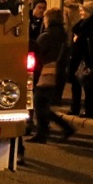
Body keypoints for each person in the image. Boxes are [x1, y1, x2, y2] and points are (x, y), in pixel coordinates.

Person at [28, 8, 75, 143]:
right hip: (58, 73)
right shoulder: (63, 35)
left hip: (45, 73)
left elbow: (38, 53)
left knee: (39, 104)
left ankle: (64, 128)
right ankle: (44, 132)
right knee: (43, 104)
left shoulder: (46, 36)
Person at [70, 1, 93, 118]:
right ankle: (75, 107)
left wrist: (78, 39)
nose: (81, 12)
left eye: (83, 10)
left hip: (89, 60)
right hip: (79, 58)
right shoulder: (83, 24)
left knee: (88, 87)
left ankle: (88, 110)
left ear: (89, 12)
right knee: (76, 84)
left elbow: (92, 42)